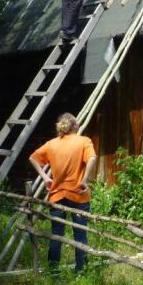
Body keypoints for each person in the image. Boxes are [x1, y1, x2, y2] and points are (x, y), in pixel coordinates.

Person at [29, 113, 97, 272]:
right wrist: (84, 180)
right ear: (74, 126)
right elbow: (92, 158)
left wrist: (46, 178)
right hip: (79, 196)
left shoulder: (51, 144)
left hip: (57, 196)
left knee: (56, 235)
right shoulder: (84, 141)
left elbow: (33, 157)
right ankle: (81, 271)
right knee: (80, 235)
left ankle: (53, 271)